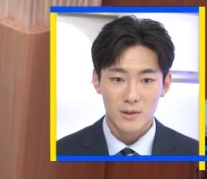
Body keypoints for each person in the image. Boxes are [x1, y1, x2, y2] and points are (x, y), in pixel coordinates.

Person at [56, 15, 197, 157]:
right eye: (118, 79)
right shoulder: (61, 151)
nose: (131, 96)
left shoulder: (194, 153)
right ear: (97, 80)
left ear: (165, 84)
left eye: (146, 80)